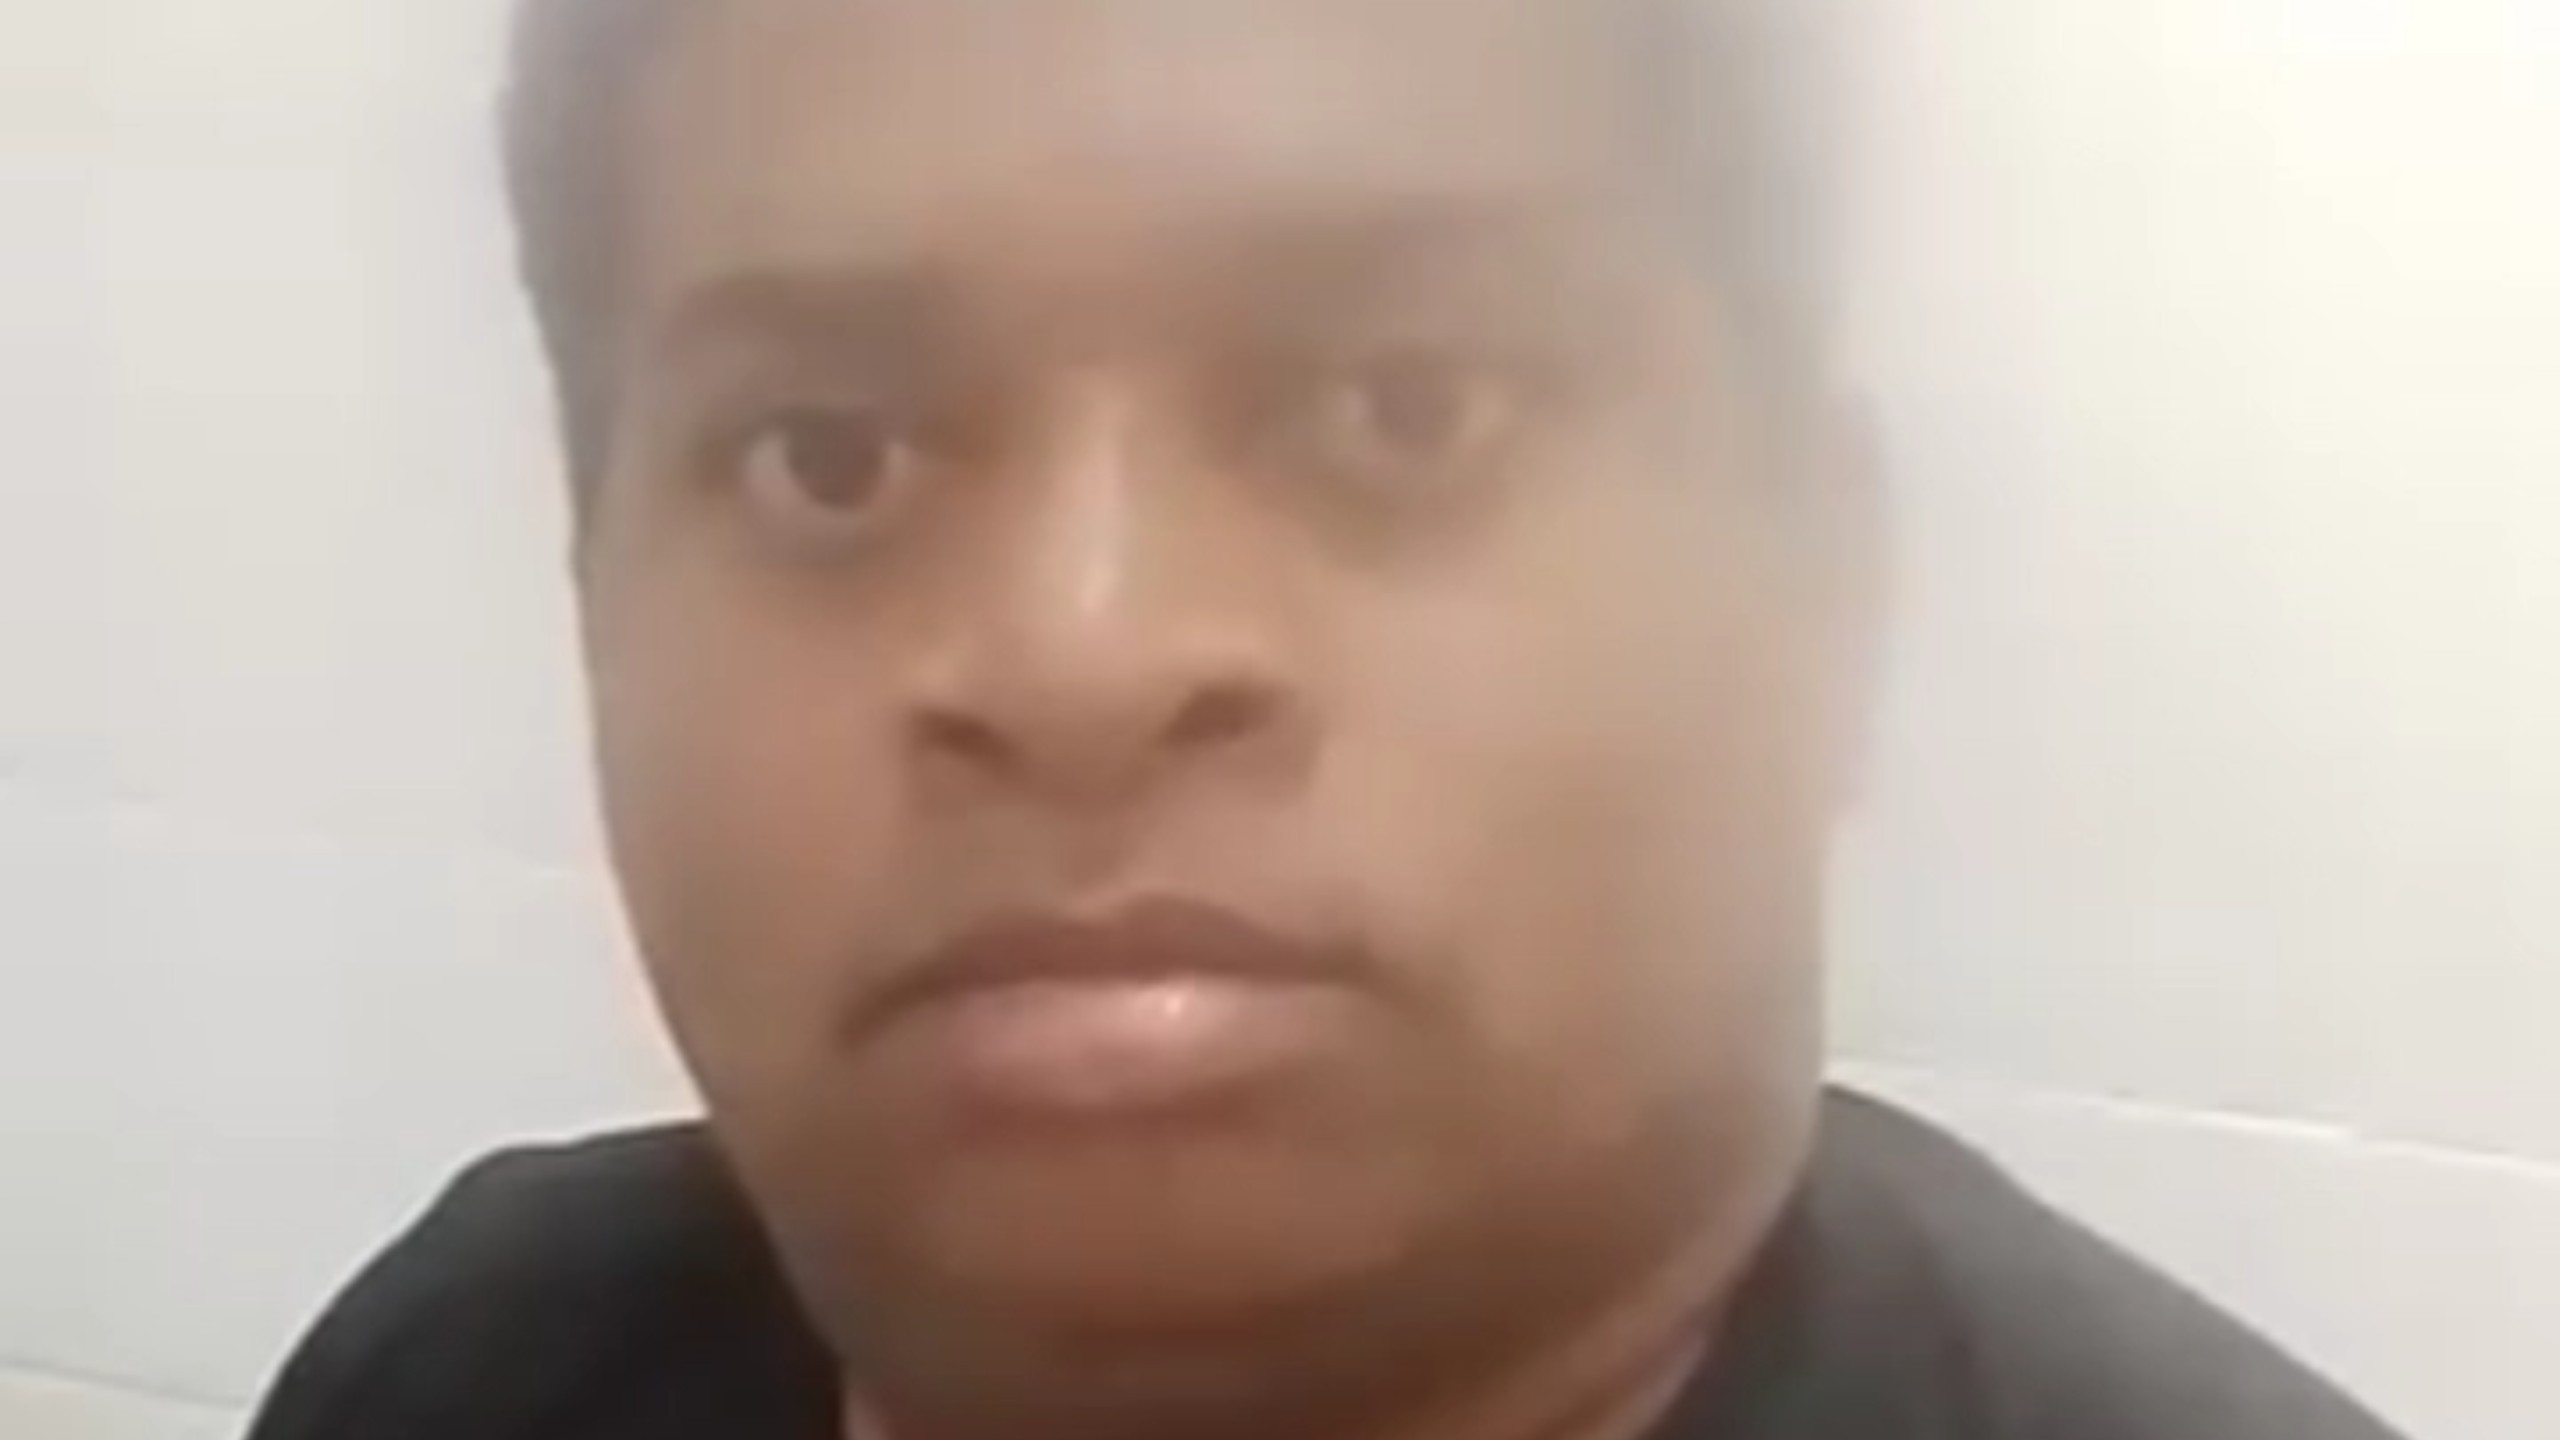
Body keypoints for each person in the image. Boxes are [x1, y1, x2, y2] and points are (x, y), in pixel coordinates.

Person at [246, 1, 2404, 1438]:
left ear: (1826, 594)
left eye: (1401, 406)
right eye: (832, 456)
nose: (1080, 654)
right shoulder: (480, 1368)